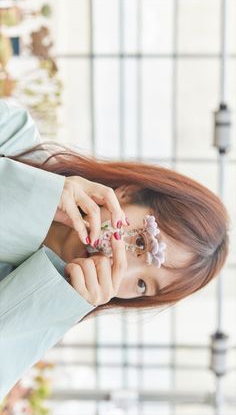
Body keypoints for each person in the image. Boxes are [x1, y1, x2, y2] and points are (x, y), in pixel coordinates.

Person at [0, 99, 230, 400]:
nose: (120, 269)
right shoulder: (12, 134)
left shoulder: (40, 309)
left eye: (142, 284)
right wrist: (33, 200)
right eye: (141, 243)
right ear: (127, 193)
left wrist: (49, 302)